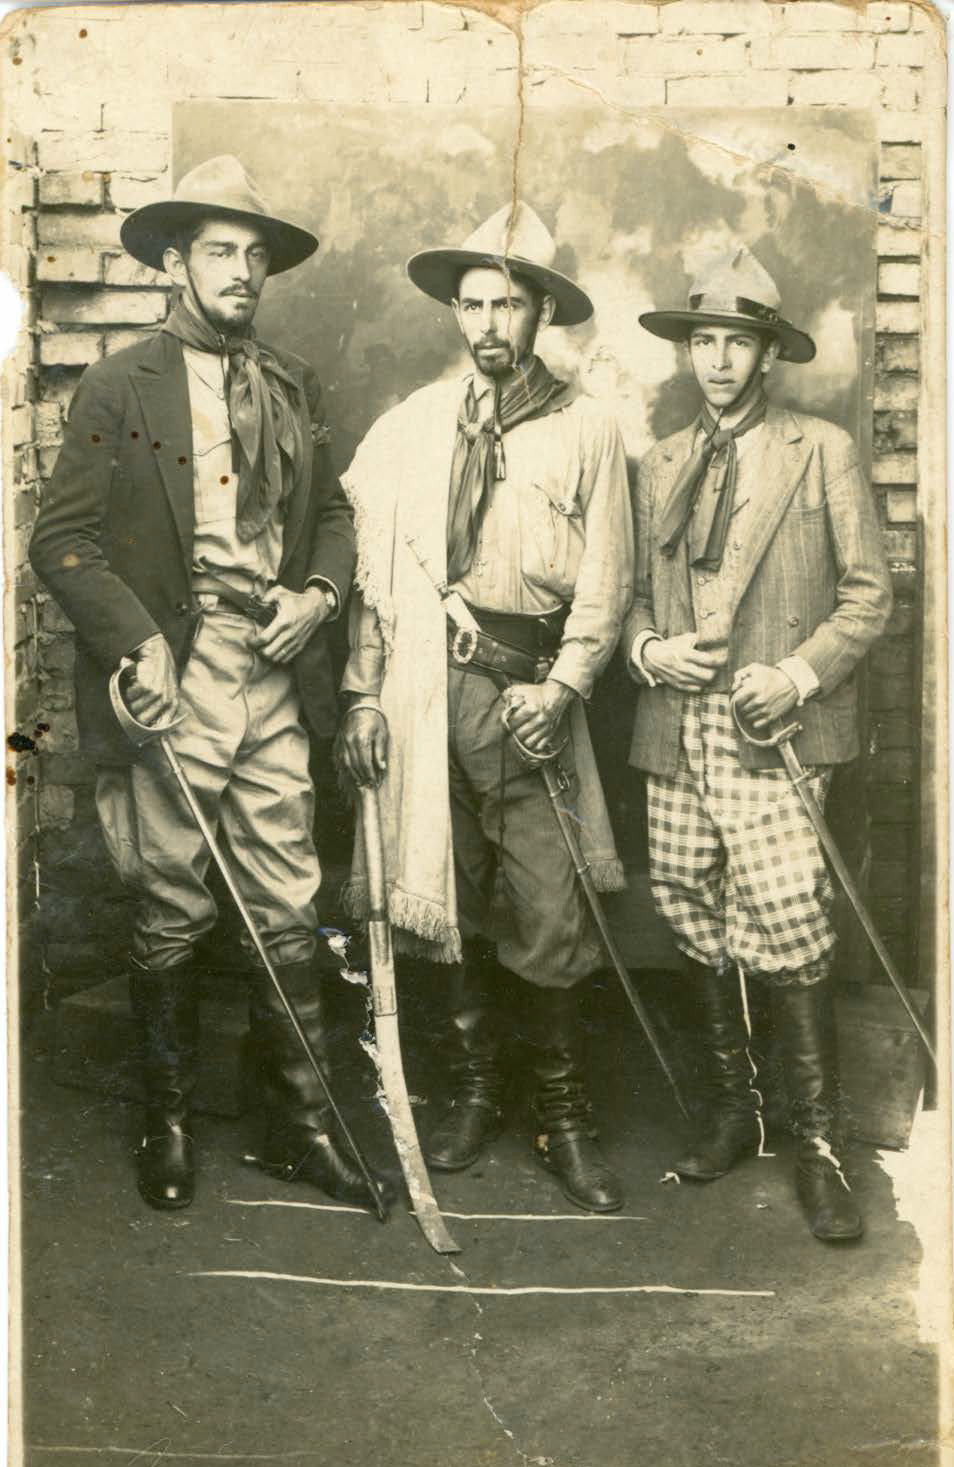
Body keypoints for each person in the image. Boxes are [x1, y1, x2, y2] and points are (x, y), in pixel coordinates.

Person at [30, 155, 386, 1214]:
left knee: (289, 898)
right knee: (172, 898)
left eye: (255, 256)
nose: (241, 272)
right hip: (177, 674)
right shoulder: (121, 383)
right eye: (220, 252)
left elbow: (332, 513)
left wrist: (318, 595)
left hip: (272, 668)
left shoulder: (293, 383)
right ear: (176, 264)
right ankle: (168, 1122)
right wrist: (137, 644)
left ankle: (299, 1126)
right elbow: (64, 540)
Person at [337, 202, 634, 1212]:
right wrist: (363, 693)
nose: (489, 325)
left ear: (541, 311)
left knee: (548, 910)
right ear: (454, 313)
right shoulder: (416, 426)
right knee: (452, 897)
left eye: (508, 304)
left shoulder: (589, 427)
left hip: (530, 694)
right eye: (473, 305)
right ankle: (475, 1090)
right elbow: (376, 576)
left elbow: (608, 580)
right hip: (428, 688)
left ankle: (561, 1115)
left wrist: (564, 688)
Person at [626, 248, 892, 1241]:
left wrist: (795, 675)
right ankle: (734, 1114)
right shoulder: (660, 463)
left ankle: (818, 1145)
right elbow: (629, 602)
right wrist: (650, 651)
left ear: (768, 355)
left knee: (786, 917)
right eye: (704, 341)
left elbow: (869, 597)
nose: (719, 360)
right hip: (675, 726)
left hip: (771, 729)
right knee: (691, 908)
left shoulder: (820, 450)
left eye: (737, 343)